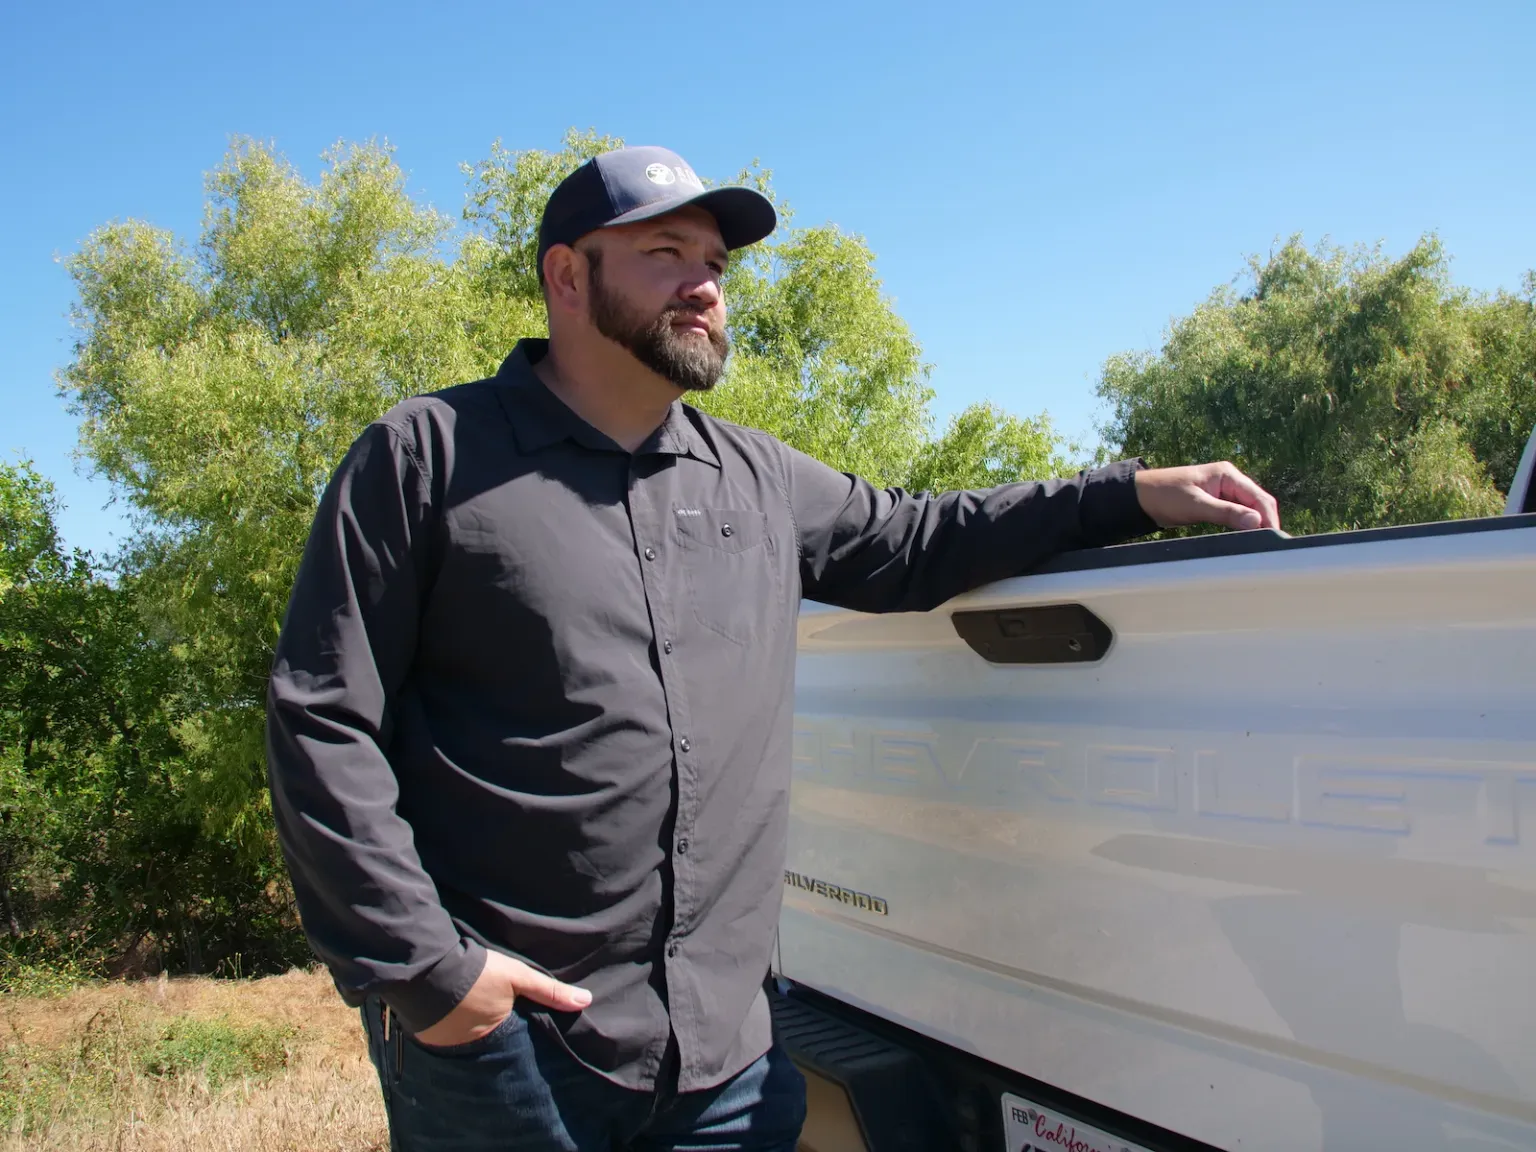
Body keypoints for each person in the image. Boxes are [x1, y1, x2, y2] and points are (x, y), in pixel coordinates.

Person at [265, 144, 1281, 1152]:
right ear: (566, 276)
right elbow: (323, 719)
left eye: (716, 262)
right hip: (509, 1058)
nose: (705, 285)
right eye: (667, 253)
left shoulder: (756, 479)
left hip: (726, 1065)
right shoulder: (425, 459)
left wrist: (1130, 493)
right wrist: (433, 978)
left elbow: (918, 540)